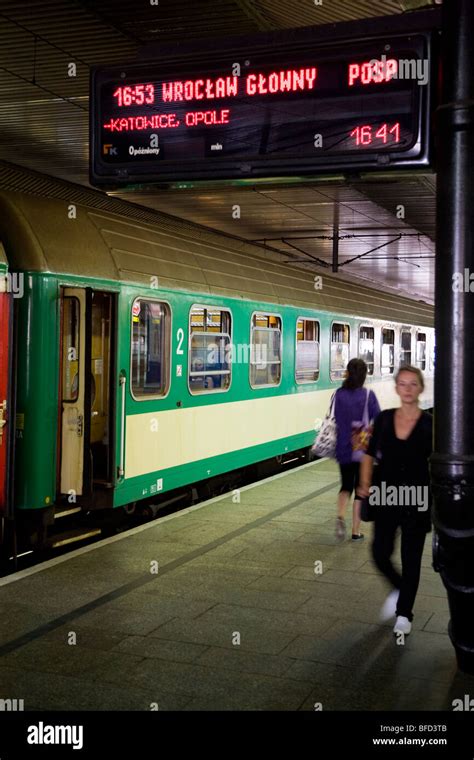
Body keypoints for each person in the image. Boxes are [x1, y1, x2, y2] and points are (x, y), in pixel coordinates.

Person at [358, 366, 432, 636]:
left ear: (420, 388)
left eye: (413, 384)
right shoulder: (385, 419)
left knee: (411, 558)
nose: (408, 388)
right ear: (397, 388)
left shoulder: (430, 425)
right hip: (385, 494)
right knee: (379, 552)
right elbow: (368, 454)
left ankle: (404, 613)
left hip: (417, 496)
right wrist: (365, 483)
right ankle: (399, 587)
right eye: (403, 383)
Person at [334, 358, 380, 542]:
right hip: (361, 447)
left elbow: (335, 417)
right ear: (364, 376)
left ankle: (340, 516)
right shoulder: (368, 395)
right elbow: (379, 418)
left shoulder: (338, 394)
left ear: (347, 372)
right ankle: (355, 531)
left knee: (345, 486)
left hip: (343, 446)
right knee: (360, 489)